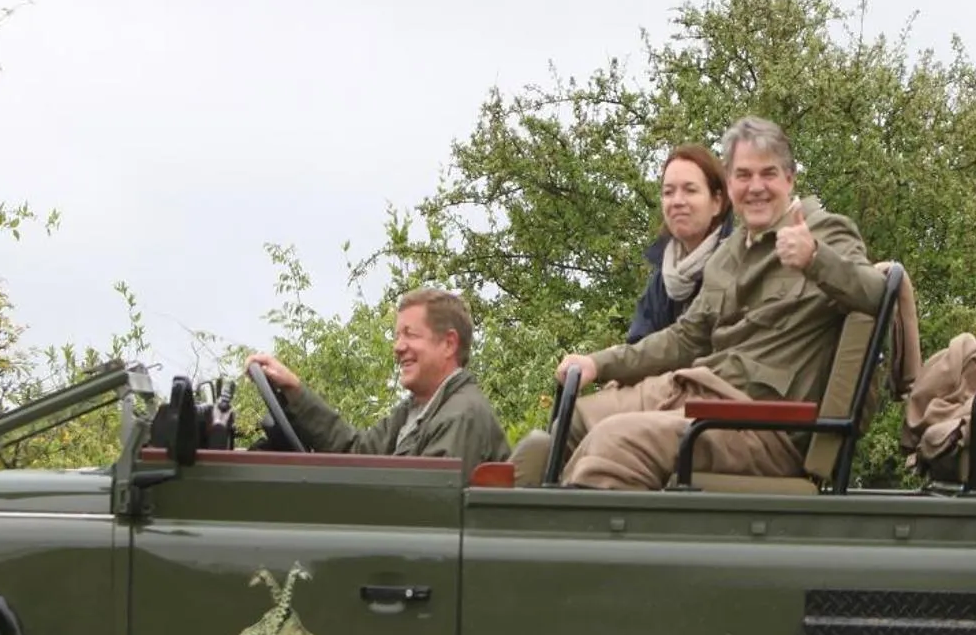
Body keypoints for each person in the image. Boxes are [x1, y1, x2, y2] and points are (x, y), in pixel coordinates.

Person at [545, 115, 886, 489]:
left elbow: (876, 295)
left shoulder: (825, 232)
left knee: (613, 443)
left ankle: (589, 544)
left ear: (790, 179)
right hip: (703, 394)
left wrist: (815, 258)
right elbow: (686, 338)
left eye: (768, 174)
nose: (756, 187)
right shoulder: (729, 253)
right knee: (572, 420)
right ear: (729, 183)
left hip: (765, 426)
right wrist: (598, 363)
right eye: (743, 175)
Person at [247, 287, 509, 472]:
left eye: (410, 335)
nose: (398, 347)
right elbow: (357, 453)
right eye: (397, 336)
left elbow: (428, 507)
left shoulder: (460, 416)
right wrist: (294, 389)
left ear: (449, 343)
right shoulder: (418, 410)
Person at [628, 143, 735, 343]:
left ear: (717, 202)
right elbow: (638, 347)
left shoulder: (739, 263)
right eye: (668, 192)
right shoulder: (663, 277)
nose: (677, 201)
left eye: (690, 190)